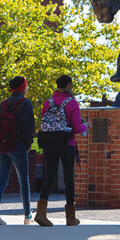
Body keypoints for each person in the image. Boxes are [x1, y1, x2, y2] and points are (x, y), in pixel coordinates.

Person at [35, 75, 87, 226]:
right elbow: (77, 129)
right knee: (68, 177)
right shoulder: (72, 103)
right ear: (69, 86)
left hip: (49, 143)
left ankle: (41, 213)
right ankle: (70, 217)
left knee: (49, 177)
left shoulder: (48, 102)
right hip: (66, 143)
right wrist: (86, 126)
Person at [0, 76, 36, 225]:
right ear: (23, 88)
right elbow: (29, 127)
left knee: (2, 180)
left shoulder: (3, 103)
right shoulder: (25, 103)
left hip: (1, 145)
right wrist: (26, 145)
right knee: (23, 180)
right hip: (17, 145)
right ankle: (27, 215)